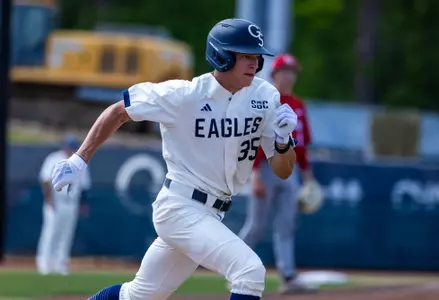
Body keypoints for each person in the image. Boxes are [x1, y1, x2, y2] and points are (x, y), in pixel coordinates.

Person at [50, 18, 298, 300]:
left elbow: (283, 170)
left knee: (137, 296)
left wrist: (282, 141)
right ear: (222, 56)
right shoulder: (184, 95)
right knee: (249, 271)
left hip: (212, 213)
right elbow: (119, 111)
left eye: (257, 57)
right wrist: (79, 160)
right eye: (245, 56)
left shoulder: (265, 97)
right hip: (180, 207)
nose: (254, 64)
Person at [239, 53, 318, 294]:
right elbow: (253, 138)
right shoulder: (265, 99)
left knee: (286, 225)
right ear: (274, 74)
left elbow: (301, 144)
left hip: (290, 169)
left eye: (293, 72)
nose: (290, 76)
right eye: (285, 71)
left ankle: (288, 276)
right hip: (265, 167)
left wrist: (307, 175)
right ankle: (233, 267)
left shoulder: (298, 105)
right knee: (256, 226)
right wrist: (254, 175)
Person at [36, 134, 91, 275]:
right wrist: (49, 199)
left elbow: (84, 186)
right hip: (56, 201)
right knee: (51, 232)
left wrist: (82, 203)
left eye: (73, 147)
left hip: (71, 202)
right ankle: (44, 264)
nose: (70, 150)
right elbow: (45, 180)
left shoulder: (80, 162)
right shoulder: (54, 158)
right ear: (64, 146)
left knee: (66, 234)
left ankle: (61, 265)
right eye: (69, 146)